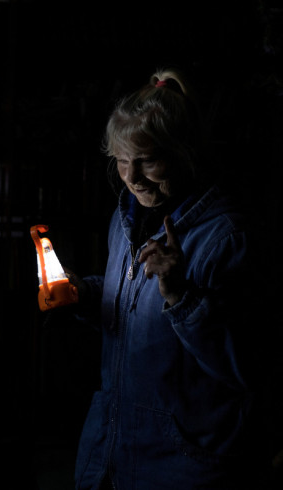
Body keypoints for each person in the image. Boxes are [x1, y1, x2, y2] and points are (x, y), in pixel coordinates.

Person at [71, 67, 272, 489]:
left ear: (184, 152)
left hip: (185, 465)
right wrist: (82, 294)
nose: (133, 177)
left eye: (147, 159)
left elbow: (252, 367)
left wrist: (182, 297)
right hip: (114, 449)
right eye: (122, 161)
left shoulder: (228, 238)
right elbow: (127, 306)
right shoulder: (123, 219)